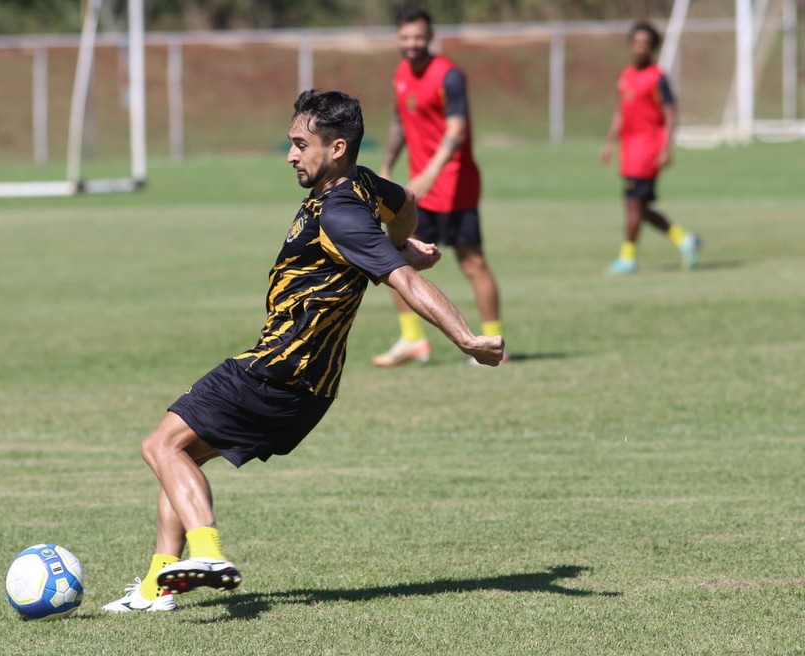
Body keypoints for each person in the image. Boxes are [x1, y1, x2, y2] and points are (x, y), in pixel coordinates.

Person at [102, 89, 505, 613]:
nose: (291, 154)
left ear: (336, 147)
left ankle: (207, 553)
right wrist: (400, 241)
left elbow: (405, 282)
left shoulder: (342, 215)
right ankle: (157, 588)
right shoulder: (362, 186)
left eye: (300, 144)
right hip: (310, 389)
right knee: (181, 455)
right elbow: (406, 204)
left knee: (159, 446)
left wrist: (467, 339)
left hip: (274, 367)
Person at [373, 6, 505, 368]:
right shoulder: (400, 74)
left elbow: (457, 129)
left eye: (418, 37)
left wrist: (431, 172)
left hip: (456, 186)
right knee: (393, 257)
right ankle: (413, 341)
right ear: (397, 38)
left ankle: (493, 344)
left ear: (430, 37)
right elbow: (401, 122)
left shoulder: (449, 76)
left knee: (472, 262)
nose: (412, 44)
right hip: (418, 191)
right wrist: (386, 165)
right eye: (405, 38)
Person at [601, 21, 701, 275]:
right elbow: (620, 112)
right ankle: (685, 240)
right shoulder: (625, 76)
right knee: (640, 208)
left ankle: (627, 258)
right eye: (636, 43)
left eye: (645, 44)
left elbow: (670, 113)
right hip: (629, 149)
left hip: (647, 150)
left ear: (653, 48)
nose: (639, 48)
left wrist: (667, 147)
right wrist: (610, 141)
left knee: (633, 205)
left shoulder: (658, 78)